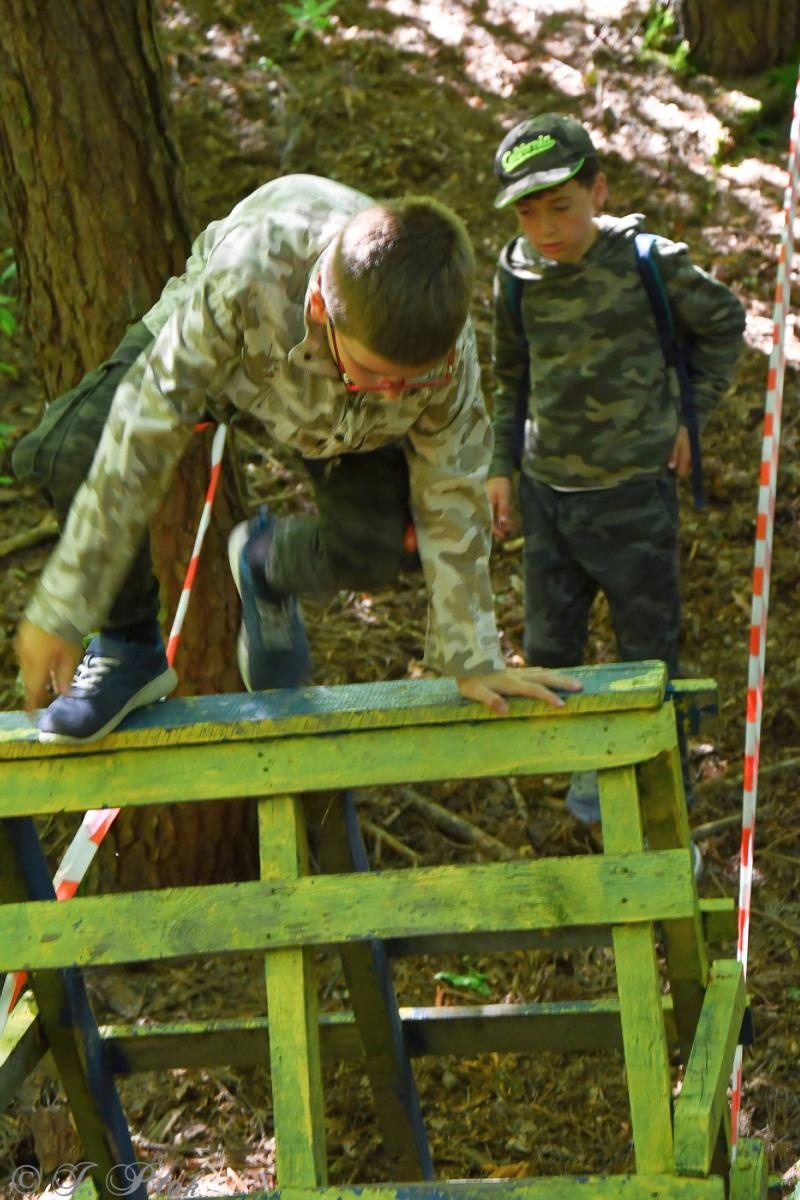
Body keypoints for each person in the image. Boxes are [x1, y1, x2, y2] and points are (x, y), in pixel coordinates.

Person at [13, 173, 581, 744]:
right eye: (380, 373)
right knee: (69, 449)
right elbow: (138, 435)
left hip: (342, 424)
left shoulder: (442, 352)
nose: (396, 391)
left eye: (414, 380)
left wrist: (474, 656)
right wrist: (63, 608)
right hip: (236, 361)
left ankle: (265, 566)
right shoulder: (245, 273)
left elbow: (453, 488)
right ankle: (128, 647)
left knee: (378, 549)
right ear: (319, 310)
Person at [487, 114, 745, 824]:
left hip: (633, 492)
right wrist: (501, 465)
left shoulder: (646, 262)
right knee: (549, 647)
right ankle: (588, 775)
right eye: (528, 211)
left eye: (561, 207)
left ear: (598, 192)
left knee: (648, 647)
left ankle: (663, 785)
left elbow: (724, 323)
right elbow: (511, 375)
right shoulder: (516, 277)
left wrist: (691, 417)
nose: (545, 228)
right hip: (548, 497)